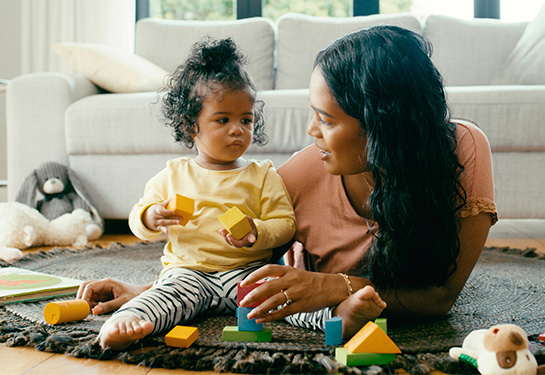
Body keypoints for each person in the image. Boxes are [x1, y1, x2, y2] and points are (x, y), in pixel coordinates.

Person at [79, 25, 496, 341]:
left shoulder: (460, 150)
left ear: (382, 127)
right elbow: (230, 270)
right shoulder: (299, 176)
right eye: (312, 113)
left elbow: (440, 297)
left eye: (327, 119)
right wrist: (149, 290)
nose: (311, 131)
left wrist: (331, 285)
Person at [76, 37, 296, 350]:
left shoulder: (262, 174)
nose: (238, 129)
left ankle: (336, 313)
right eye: (223, 120)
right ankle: (124, 321)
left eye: (245, 120)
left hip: (246, 273)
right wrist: (150, 216)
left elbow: (285, 222)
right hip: (188, 272)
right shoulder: (174, 174)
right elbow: (137, 218)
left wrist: (256, 231)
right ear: (190, 125)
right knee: (164, 297)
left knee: (286, 292)